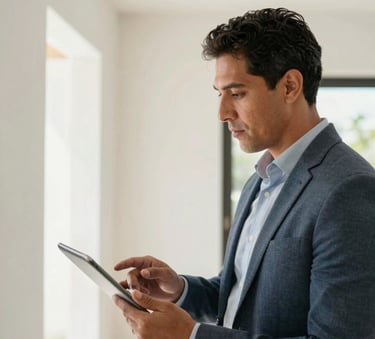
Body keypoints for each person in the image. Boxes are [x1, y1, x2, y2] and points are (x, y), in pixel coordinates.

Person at [113, 8, 375, 338]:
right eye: (220, 94)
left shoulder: (349, 190)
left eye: (237, 93)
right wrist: (179, 290)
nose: (222, 113)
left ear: (290, 86)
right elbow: (238, 292)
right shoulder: (260, 180)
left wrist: (192, 335)